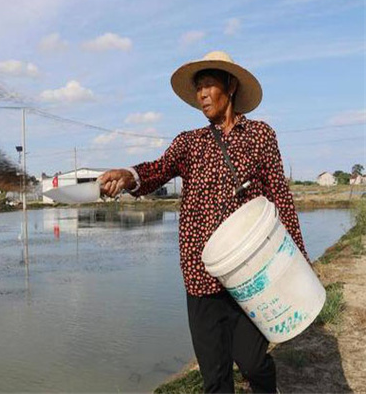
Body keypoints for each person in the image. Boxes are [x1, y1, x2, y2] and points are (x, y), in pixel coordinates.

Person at [98, 51, 309, 393]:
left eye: (209, 84)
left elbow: (280, 198)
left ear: (231, 86)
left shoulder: (260, 136)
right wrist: (129, 175)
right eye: (198, 88)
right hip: (201, 276)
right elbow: (157, 170)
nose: (202, 94)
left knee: (254, 363)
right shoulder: (189, 143)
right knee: (215, 377)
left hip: (251, 272)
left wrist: (298, 260)